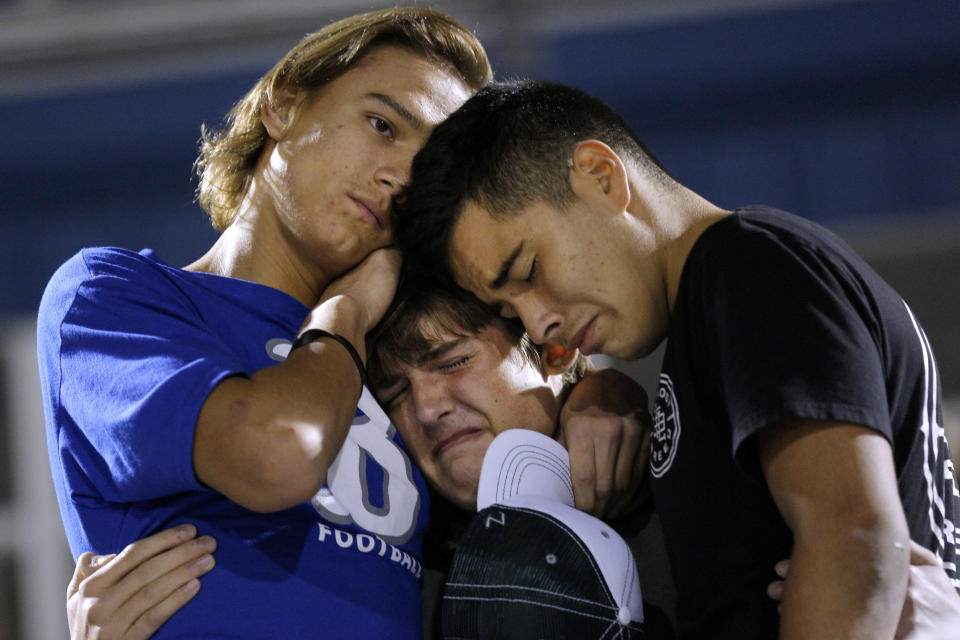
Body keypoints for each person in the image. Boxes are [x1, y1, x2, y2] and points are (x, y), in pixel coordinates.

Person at [391, 80, 960, 639]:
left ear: (600, 175)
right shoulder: (712, 314)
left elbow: (853, 543)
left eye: (529, 271)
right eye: (509, 306)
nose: (540, 323)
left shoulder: (753, 267)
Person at [37, 8, 493, 638]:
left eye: (427, 174)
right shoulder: (117, 296)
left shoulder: (401, 361)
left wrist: (604, 401)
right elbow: (278, 452)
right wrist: (344, 318)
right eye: (383, 125)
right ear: (285, 104)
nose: (398, 179)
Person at [64, 281, 664, 639]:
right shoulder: (398, 573)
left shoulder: (682, 486)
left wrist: (606, 388)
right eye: (395, 395)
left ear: (554, 349)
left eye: (453, 361)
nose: (426, 410)